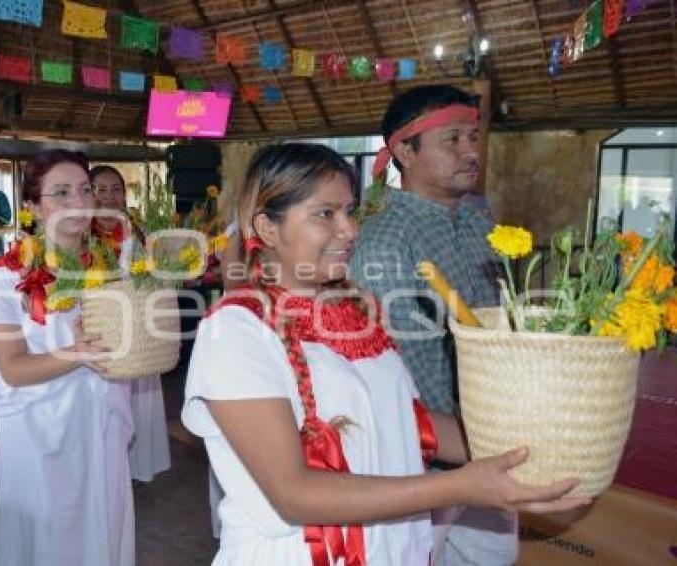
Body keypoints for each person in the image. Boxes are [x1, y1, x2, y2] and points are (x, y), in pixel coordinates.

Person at [182, 143, 589, 565]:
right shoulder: (235, 331)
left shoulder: (357, 310)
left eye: (350, 211)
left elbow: (407, 421)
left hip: (395, 546)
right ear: (267, 228)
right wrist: (462, 487)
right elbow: (294, 493)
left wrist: (522, 449)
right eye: (325, 214)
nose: (351, 230)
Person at [350, 85, 513, 564]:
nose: (471, 151)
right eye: (452, 140)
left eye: (473, 136)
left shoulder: (481, 221)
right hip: (427, 458)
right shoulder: (383, 240)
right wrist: (454, 448)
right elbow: (392, 371)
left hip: (489, 435)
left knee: (492, 556)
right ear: (405, 151)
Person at [0, 150, 134, 565]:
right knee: (50, 534)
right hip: (39, 428)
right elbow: (12, 369)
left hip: (100, 418)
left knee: (103, 523)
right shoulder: (4, 278)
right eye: (60, 193)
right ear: (32, 205)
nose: (78, 203)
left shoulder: (109, 265)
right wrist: (75, 354)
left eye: (85, 191)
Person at [90, 164, 171, 483]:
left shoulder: (139, 230)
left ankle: (136, 467)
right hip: (104, 328)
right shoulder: (81, 232)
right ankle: (109, 469)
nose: (110, 196)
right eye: (101, 189)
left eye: (117, 189)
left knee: (140, 398)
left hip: (140, 335)